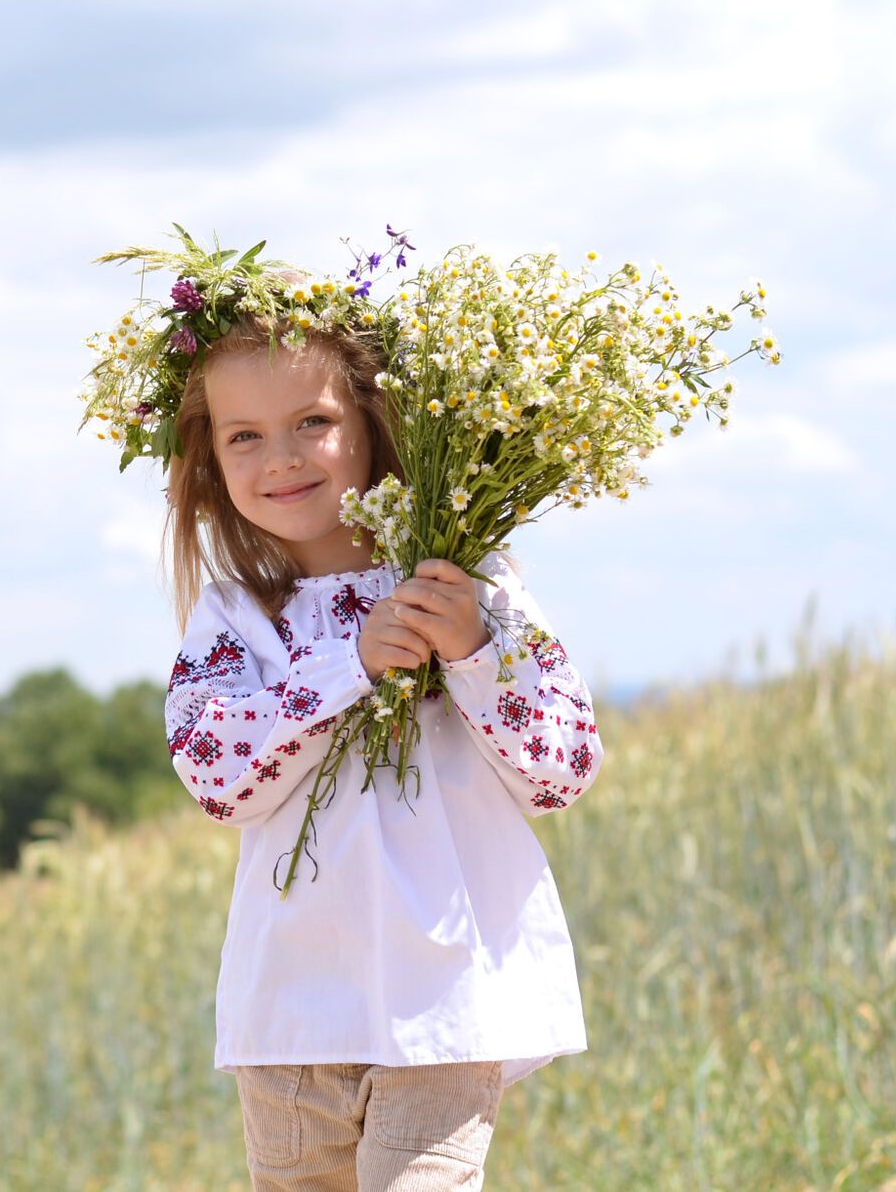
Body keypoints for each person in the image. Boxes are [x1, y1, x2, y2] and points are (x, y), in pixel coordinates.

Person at [161, 312, 606, 1190]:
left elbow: (563, 770)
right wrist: (350, 664)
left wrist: (475, 652)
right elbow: (216, 777)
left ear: (375, 421)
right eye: (244, 435)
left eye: (312, 423)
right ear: (212, 459)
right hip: (291, 1013)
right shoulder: (235, 619)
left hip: (443, 1005)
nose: (280, 457)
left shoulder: (468, 586)